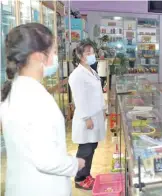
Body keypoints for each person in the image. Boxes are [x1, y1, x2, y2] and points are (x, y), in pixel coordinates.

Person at [0, 23, 85, 196]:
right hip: (42, 188)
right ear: (39, 56)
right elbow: (46, 160)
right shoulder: (35, 99)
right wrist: (76, 163)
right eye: (53, 52)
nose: (55, 58)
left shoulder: (15, 89)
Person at [69, 42, 106, 190]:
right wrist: (86, 118)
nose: (92, 55)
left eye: (93, 52)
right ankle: (79, 178)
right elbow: (79, 99)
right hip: (87, 118)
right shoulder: (77, 75)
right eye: (88, 53)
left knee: (92, 146)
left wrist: (103, 109)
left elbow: (97, 92)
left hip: (95, 115)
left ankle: (86, 174)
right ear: (80, 56)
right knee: (85, 149)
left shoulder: (91, 70)